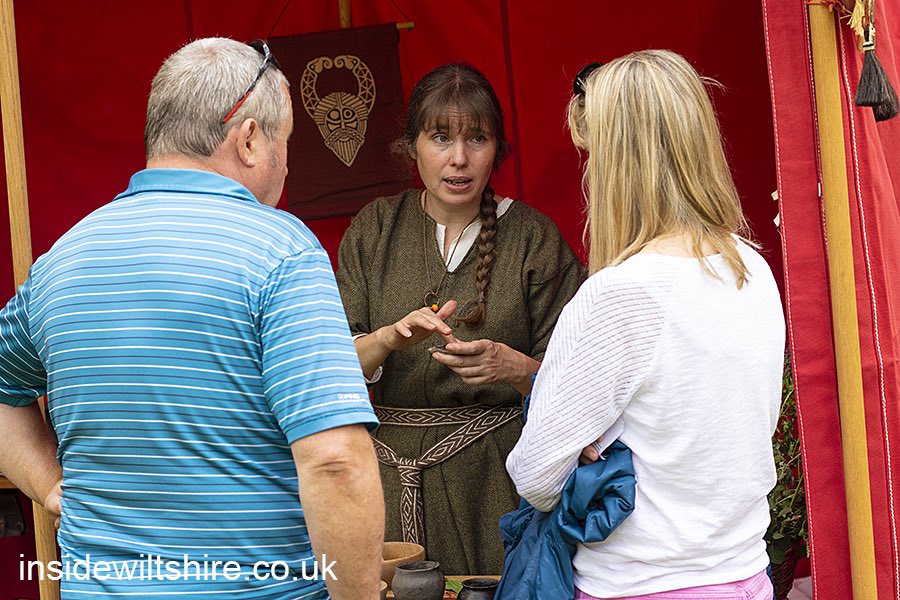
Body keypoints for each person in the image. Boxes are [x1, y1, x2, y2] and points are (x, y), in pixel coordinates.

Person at [0, 37, 384, 599]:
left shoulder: (62, 259)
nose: (285, 165)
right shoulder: (280, 250)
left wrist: (52, 487)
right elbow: (334, 463)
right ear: (249, 139)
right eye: (284, 143)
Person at [506, 50, 785, 600]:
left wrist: (591, 447)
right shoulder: (751, 267)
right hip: (745, 575)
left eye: (593, 156)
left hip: (641, 584)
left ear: (616, 165)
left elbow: (536, 476)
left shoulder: (620, 294)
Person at [336, 63, 587, 575]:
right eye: (440, 137)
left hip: (494, 486)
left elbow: (580, 388)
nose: (459, 158)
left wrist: (514, 366)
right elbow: (330, 366)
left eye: (477, 138)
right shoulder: (375, 230)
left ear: (498, 149)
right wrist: (385, 339)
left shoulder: (533, 240)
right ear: (412, 146)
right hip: (384, 483)